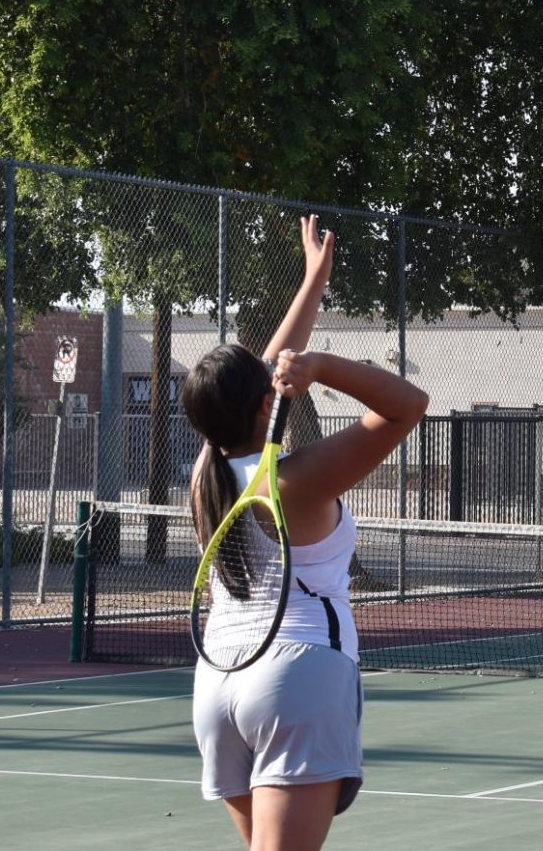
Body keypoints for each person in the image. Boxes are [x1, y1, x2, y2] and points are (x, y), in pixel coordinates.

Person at [182, 215, 429, 851]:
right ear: (266, 404)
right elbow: (407, 404)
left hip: (219, 683)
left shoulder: (205, 473)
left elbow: (264, 374)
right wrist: (321, 365)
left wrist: (312, 281)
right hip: (295, 676)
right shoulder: (295, 481)